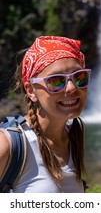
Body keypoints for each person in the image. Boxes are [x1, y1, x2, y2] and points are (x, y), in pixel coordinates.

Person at [0, 36, 91, 193]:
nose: (71, 88)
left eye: (79, 77)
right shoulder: (8, 145)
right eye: (56, 81)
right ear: (31, 91)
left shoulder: (74, 138)